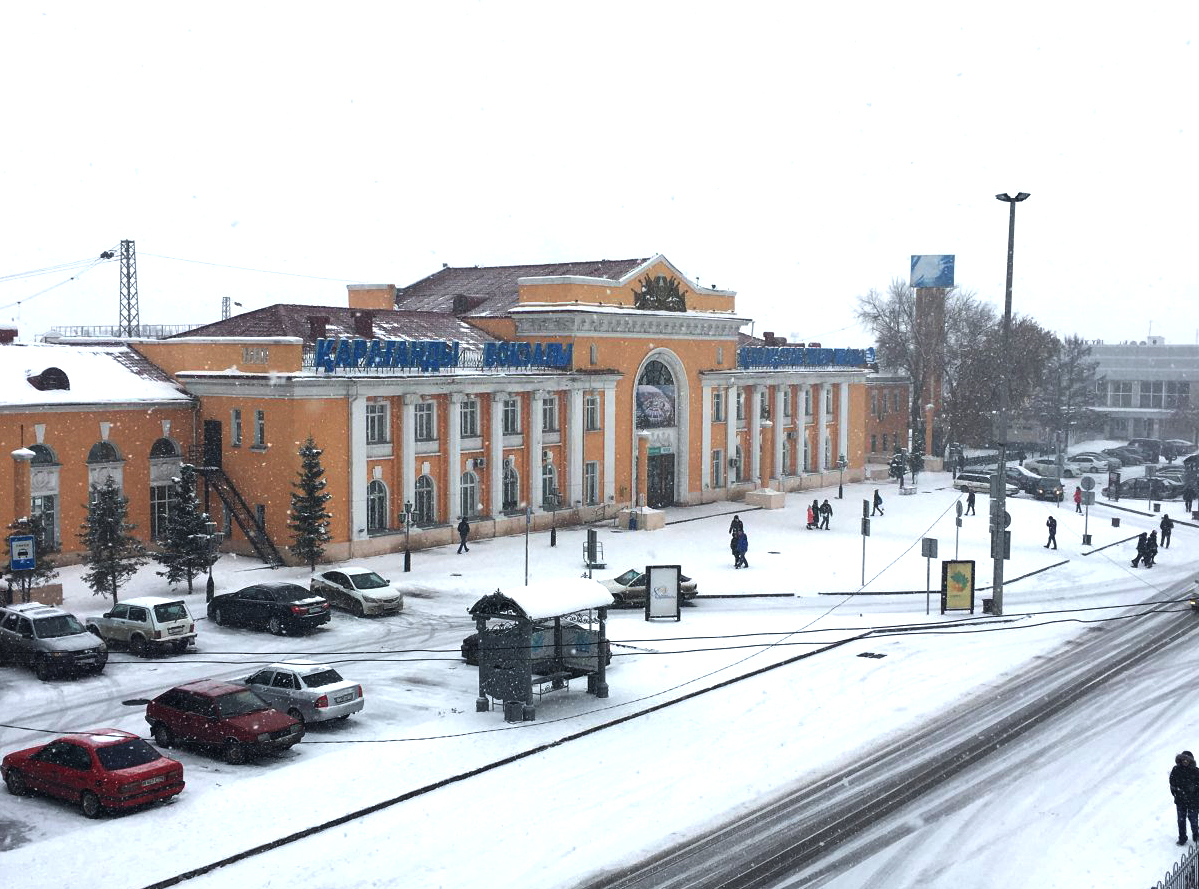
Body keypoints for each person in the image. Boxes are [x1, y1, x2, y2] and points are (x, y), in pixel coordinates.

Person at [1170, 751, 1199, 845]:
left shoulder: (1196, 771)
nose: (1185, 761)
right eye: (1184, 759)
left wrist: (1195, 792)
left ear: (1190, 761)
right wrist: (1176, 793)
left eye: (1187, 760)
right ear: (1181, 760)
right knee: (1181, 820)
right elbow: (1172, 783)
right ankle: (1182, 838)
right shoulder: (1176, 770)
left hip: (1193, 800)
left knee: (1193, 819)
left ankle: (1196, 835)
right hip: (1180, 800)